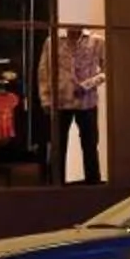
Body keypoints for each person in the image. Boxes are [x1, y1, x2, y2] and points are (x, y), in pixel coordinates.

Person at [44, 25, 105, 184]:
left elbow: (108, 68)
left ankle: (93, 183)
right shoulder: (52, 42)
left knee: (90, 144)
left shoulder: (96, 41)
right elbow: (44, 71)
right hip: (61, 102)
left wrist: (88, 84)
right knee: (58, 146)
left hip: (86, 102)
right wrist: (46, 99)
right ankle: (57, 185)